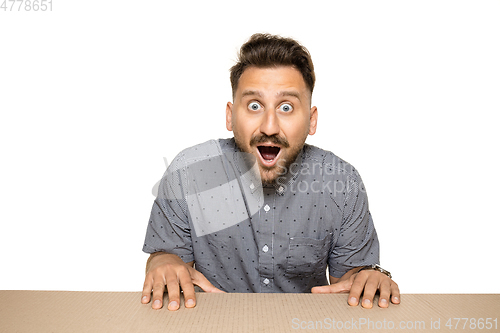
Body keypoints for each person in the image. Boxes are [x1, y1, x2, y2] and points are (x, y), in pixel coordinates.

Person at [140, 33, 400, 311]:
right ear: (230, 116)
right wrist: (162, 262)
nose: (269, 126)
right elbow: (168, 261)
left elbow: (350, 283)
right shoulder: (188, 174)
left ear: (311, 120)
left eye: (286, 107)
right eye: (254, 105)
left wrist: (368, 278)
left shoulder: (342, 183)